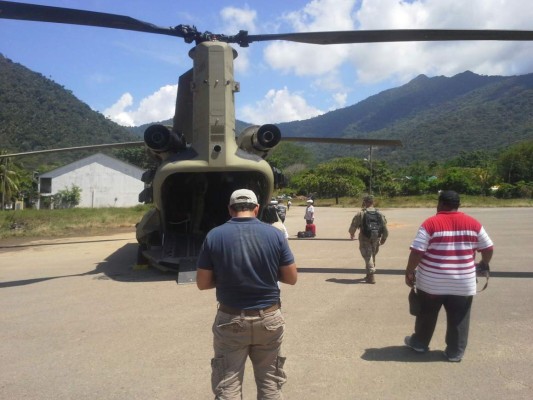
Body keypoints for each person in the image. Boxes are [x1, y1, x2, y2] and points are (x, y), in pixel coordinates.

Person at [196, 188, 298, 399]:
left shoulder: (214, 235)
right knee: (270, 382)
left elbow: (202, 283)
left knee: (228, 384)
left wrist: (226, 278)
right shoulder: (275, 234)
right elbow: (291, 278)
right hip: (269, 319)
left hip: (230, 319)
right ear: (257, 208)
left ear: (230, 209)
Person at [403, 190, 494, 362]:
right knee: (459, 318)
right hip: (463, 284)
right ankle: (455, 352)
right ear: (458, 205)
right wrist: (483, 263)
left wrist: (409, 271)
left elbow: (417, 252)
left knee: (426, 314)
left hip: (431, 283)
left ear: (441, 204)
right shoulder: (473, 223)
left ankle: (420, 343)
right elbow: (488, 248)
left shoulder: (431, 223)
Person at [348, 195, 388, 284]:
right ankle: (368, 274)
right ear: (372, 202)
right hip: (376, 237)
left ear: (365, 202)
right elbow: (384, 227)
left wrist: (352, 233)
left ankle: (371, 275)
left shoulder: (361, 213)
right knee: (372, 255)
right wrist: (384, 237)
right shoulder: (379, 213)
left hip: (364, 237)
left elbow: (354, 225)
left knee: (367, 256)